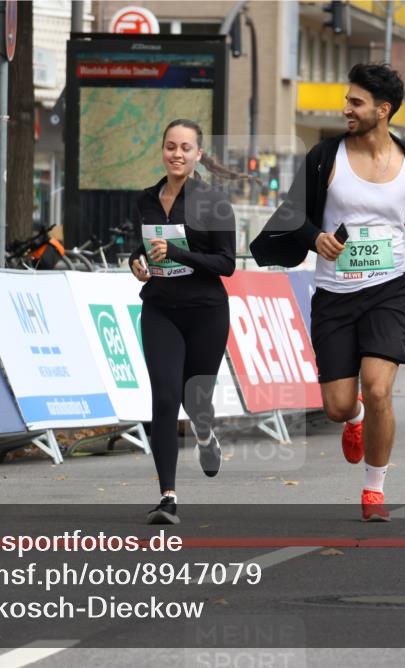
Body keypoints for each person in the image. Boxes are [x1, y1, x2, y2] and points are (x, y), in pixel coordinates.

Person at [250, 63, 405, 521]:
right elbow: (291, 214)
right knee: (339, 405)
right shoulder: (326, 156)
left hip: (388, 291)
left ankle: (374, 487)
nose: (346, 108)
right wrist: (313, 238)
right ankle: (356, 420)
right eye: (347, 100)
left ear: (382, 111)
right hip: (334, 293)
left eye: (356, 102)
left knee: (379, 387)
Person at [128, 119, 237, 525]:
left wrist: (177, 254)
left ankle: (205, 435)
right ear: (163, 150)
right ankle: (167, 496)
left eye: (185, 148)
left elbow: (226, 263)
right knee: (164, 396)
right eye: (170, 146)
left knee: (196, 400)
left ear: (198, 155)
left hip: (206, 311)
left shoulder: (214, 201)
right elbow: (140, 246)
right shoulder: (146, 199)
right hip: (160, 308)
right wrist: (136, 263)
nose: (176, 154)